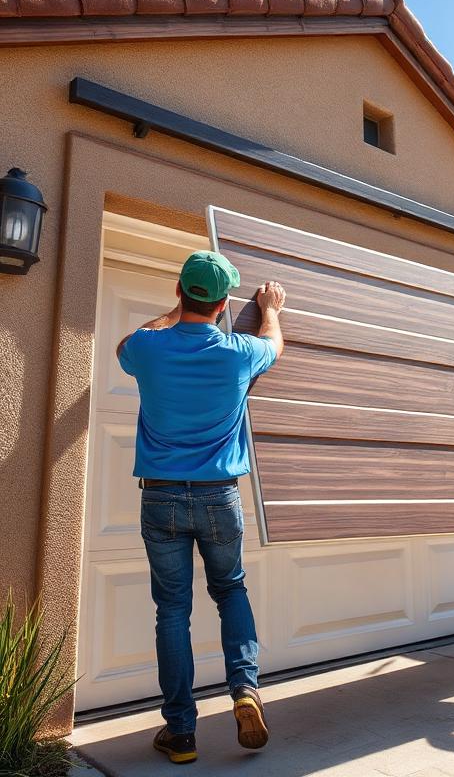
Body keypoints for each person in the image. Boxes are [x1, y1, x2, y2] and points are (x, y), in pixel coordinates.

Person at [117, 251, 286, 763]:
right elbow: (275, 344)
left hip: (162, 496)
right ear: (224, 303)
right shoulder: (239, 352)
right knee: (230, 590)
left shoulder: (149, 347)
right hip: (219, 497)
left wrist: (172, 315)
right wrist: (272, 307)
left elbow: (128, 343)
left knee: (172, 609)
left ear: (179, 290)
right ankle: (244, 690)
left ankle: (182, 733)